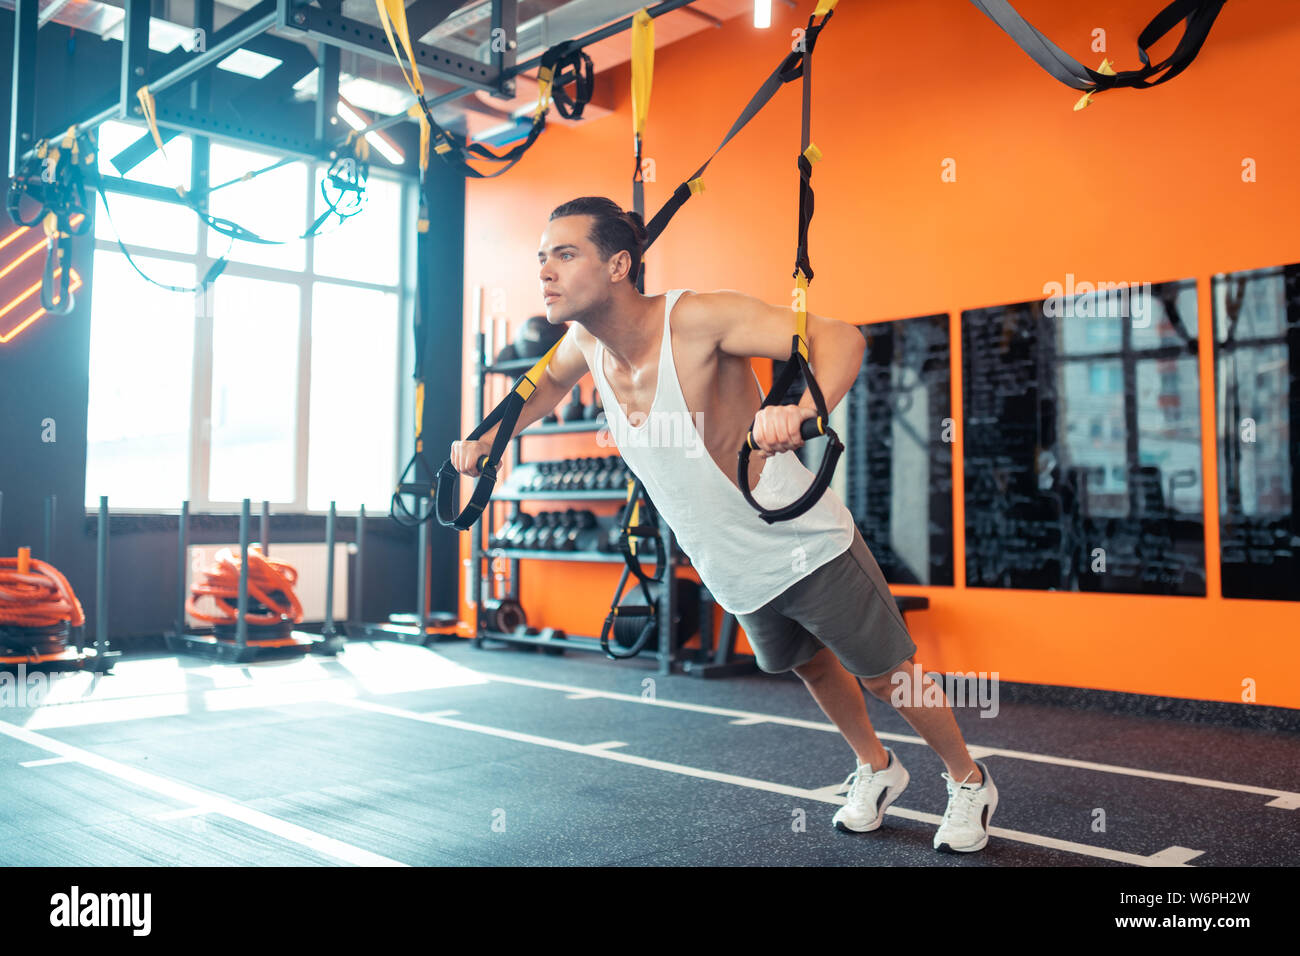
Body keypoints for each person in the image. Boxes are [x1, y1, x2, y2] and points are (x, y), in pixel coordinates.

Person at [452, 196, 997, 853]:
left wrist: (798, 409)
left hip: (801, 540)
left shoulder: (698, 320)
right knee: (810, 668)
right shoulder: (583, 344)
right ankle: (877, 768)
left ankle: (968, 780)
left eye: (565, 255)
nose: (545, 271)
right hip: (726, 559)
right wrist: (491, 436)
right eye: (542, 258)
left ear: (619, 264)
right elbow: (542, 387)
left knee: (887, 674)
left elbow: (840, 337)